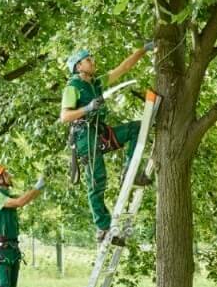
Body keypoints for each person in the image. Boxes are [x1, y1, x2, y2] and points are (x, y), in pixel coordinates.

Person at [60, 43, 155, 245]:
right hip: (85, 135)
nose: (92, 62)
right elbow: (65, 116)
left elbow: (124, 68)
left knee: (136, 128)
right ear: (78, 66)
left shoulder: (97, 83)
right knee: (97, 181)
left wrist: (144, 49)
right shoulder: (72, 87)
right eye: (88, 60)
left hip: (100, 131)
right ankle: (103, 227)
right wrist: (87, 107)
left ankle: (129, 169)